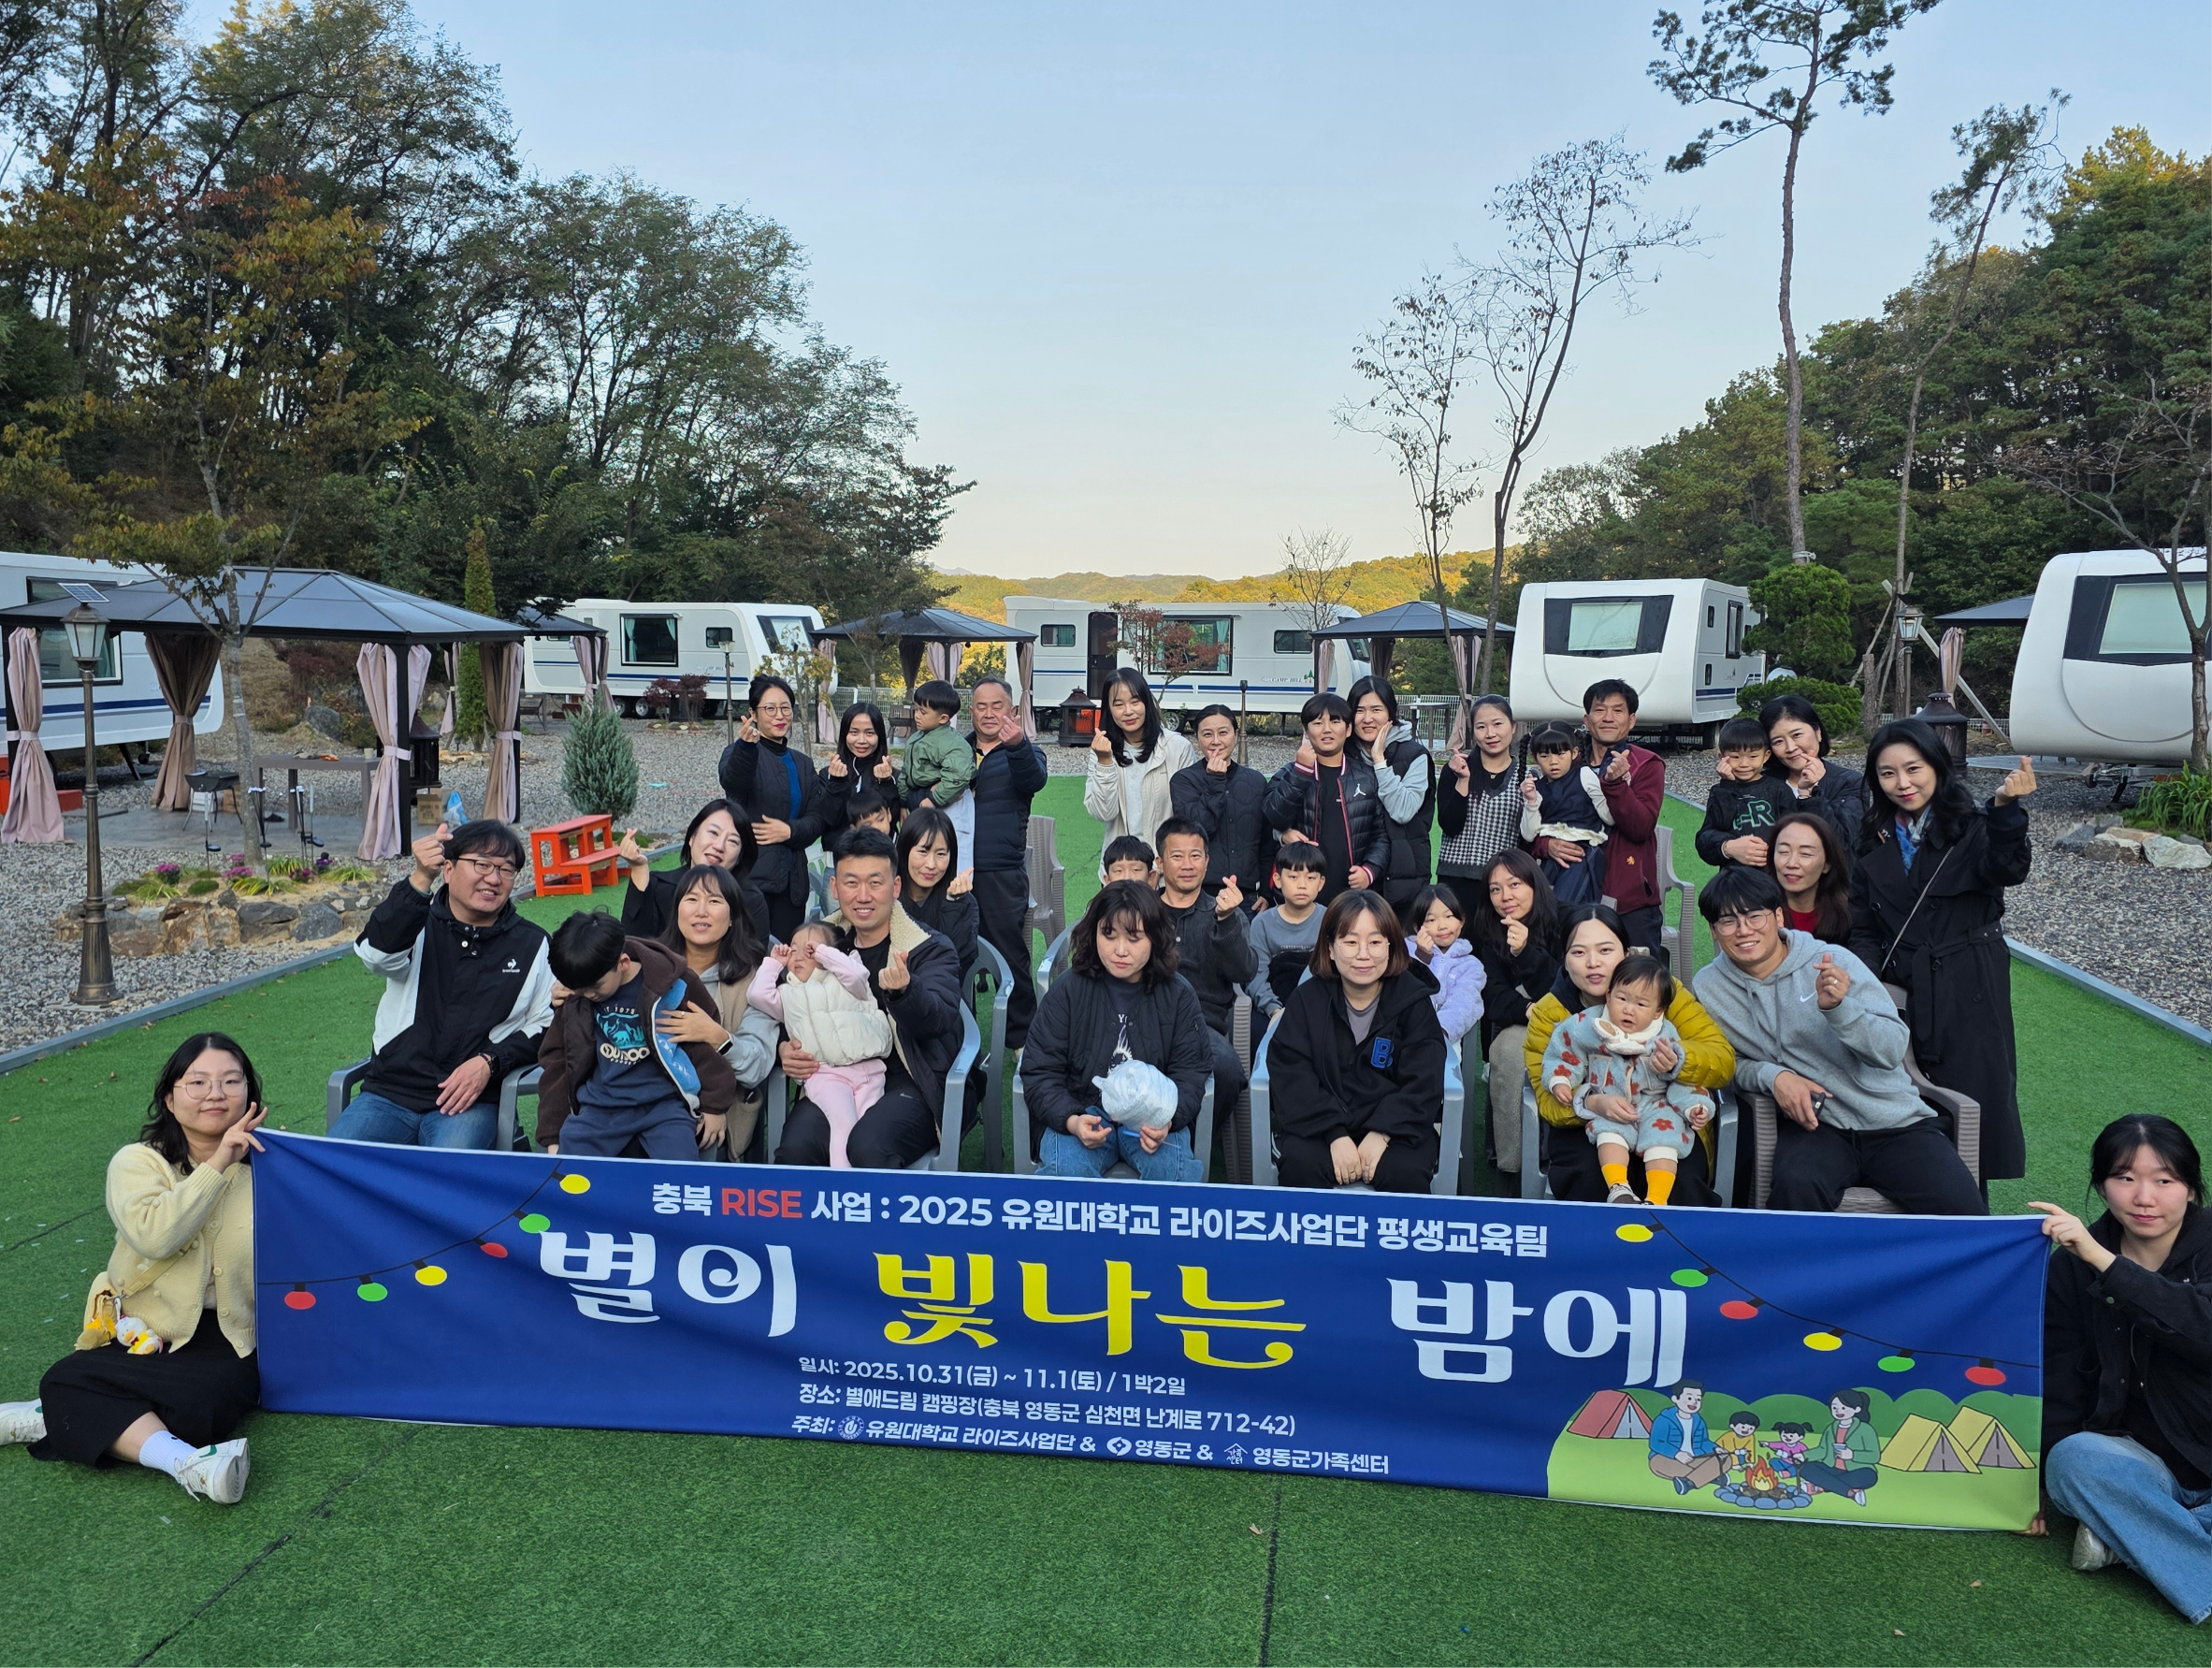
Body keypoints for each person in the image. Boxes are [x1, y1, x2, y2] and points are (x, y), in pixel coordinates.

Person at [1, 1036, 267, 1503]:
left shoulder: (273, 1165)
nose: (216, 1094)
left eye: (231, 1081)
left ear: (249, 1091)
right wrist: (222, 1159)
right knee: (67, 1378)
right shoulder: (137, 1162)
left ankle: (51, 1416)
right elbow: (158, 1235)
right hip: (148, 1331)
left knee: (198, 1412)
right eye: (197, 1082)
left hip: (233, 1333)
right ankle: (186, 1464)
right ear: (169, 1096)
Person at [1692, 865, 1984, 1215]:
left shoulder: (1834, 962)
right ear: (1713, 930)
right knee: (1795, 1187)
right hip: (1817, 1127)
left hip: (1894, 1122)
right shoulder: (1710, 987)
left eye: (1755, 916)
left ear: (1778, 916)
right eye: (1728, 921)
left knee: (1964, 1209)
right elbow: (1726, 1062)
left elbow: (1891, 1049)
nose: (1743, 930)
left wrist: (1841, 1009)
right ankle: (1796, 1272)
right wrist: (1775, 1076)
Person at [2031, 1116, 2212, 1624]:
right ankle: (2150, 1534)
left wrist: (2106, 1264)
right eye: (2125, 1178)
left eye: (2164, 1180)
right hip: (2138, 1460)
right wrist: (2039, 1485)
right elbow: (2060, 1378)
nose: (2144, 1197)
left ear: (2192, 1189)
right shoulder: (2069, 1267)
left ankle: (2126, 1538)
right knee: (2073, 1460)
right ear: (2101, 1184)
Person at [1851, 718, 2035, 1187]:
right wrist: (1868, 983)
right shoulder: (1874, 833)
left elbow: (2007, 869)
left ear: (1937, 765)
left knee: (1973, 1098)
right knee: (1906, 1098)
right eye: (1888, 774)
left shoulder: (1974, 824)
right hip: (1902, 985)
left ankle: (1972, 1205)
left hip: (1968, 978)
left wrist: (2007, 809)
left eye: (1913, 768)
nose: (1902, 783)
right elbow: (1864, 922)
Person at [336, 819, 554, 1150]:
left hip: (472, 1101)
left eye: (506, 869)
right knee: (333, 1163)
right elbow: (377, 955)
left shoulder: (533, 944)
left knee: (447, 1179)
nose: (493, 879)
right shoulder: (416, 924)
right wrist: (421, 877)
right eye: (481, 865)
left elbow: (548, 1024)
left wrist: (490, 1062)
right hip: (390, 1093)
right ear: (448, 870)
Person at [774, 828, 966, 1168]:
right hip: (836, 1077)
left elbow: (941, 1018)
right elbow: (786, 1003)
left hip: (911, 1081)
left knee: (866, 1147)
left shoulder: (928, 947)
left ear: (895, 888)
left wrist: (906, 992)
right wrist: (785, 1049)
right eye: (851, 883)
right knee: (796, 1150)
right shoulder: (819, 945)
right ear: (835, 888)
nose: (863, 895)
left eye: (875, 883)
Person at [1525, 906, 1735, 1205]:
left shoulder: (1662, 991)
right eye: (1579, 952)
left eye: (1605, 950)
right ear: (1565, 960)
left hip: (1667, 1117)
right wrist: (1593, 1102)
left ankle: (1674, 1250)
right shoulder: (1551, 1013)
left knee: (1682, 1182)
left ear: (1625, 953)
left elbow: (1721, 1058)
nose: (1593, 963)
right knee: (1589, 1176)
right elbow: (1548, 1099)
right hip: (1587, 1126)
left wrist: (1679, 1060)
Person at [1020, 880, 1212, 1182]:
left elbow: (1191, 1071)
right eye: (1108, 935)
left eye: (1134, 938)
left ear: (1156, 938)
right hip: (1082, 1107)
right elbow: (1039, 1070)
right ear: (1093, 933)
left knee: (1173, 1174)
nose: (1120, 950)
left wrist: (1168, 1120)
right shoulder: (1068, 990)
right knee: (1066, 1172)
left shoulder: (1178, 994)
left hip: (1153, 1116)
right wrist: (1072, 1120)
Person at [1265, 889, 1448, 1192]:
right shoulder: (1307, 1000)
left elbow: (1424, 1079)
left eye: (1375, 942)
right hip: (1319, 1126)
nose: (1363, 954)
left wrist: (1382, 1132)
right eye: (1350, 942)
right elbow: (1291, 1073)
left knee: (1404, 1171)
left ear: (1391, 946)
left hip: (1397, 1130)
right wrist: (1334, 1135)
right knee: (1301, 1165)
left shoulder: (1413, 1001)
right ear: (1331, 948)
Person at [537, 912, 739, 1159]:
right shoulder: (576, 990)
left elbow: (702, 1047)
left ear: (622, 963)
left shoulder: (673, 985)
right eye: (582, 989)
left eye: (596, 987)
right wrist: (552, 1133)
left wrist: (714, 1106)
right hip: (600, 1108)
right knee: (569, 1178)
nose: (589, 995)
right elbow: (557, 1060)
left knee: (682, 1175)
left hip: (664, 1106)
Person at [1540, 954, 1713, 1205]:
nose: (1628, 1009)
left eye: (1642, 1004)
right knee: (1608, 1133)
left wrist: (1695, 1107)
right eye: (1622, 998)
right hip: (1610, 1099)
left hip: (1657, 1105)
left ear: (1658, 1012)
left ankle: (1657, 1199)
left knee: (1665, 1141)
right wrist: (1560, 1080)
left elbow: (1683, 1080)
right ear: (1608, 995)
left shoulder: (1665, 1036)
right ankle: (1619, 1188)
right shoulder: (1588, 1024)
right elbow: (1563, 1052)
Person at [1528, 681, 1667, 961]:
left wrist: (1615, 785)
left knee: (1638, 979)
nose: (1608, 717)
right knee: (1563, 971)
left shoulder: (1645, 764)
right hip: (1566, 892)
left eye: (1618, 710)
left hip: (1627, 896)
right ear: (1586, 719)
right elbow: (1530, 826)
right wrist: (1547, 845)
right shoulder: (1564, 762)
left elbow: (1640, 828)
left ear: (1631, 720)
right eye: (1599, 710)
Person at [656, 863, 780, 1158]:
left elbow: (757, 1065)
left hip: (719, 1111)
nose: (701, 911)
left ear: (732, 919)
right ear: (676, 912)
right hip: (646, 1101)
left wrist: (718, 1037)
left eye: (714, 901)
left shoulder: (755, 981)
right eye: (691, 899)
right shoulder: (650, 968)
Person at [749, 921, 895, 1168]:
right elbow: (757, 996)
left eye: (809, 950)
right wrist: (774, 963)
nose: (798, 956)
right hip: (826, 1075)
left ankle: (871, 1192)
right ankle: (844, 1188)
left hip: (870, 1070)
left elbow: (859, 974)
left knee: (869, 1132)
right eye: (793, 949)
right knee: (843, 1123)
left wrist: (824, 954)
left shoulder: (849, 982)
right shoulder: (787, 994)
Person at [1155, 818, 1257, 1168]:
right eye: (1177, 856)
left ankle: (1186, 1138)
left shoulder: (1224, 911)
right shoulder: (1143, 912)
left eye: (1195, 856)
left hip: (1202, 1026)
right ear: (1160, 862)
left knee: (1227, 1071)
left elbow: (1245, 972)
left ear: (1207, 861)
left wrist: (1227, 921)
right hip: (1142, 1019)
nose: (1187, 865)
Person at [1468, 849, 1560, 1188]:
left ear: (1534, 884)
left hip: (1573, 1021)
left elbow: (1566, 984)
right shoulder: (1490, 931)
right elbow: (1490, 994)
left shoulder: (1564, 919)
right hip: (1523, 1022)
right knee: (1507, 1050)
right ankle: (1511, 1161)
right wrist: (1526, 1010)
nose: (1505, 896)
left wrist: (1525, 952)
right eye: (1495, 889)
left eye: (1514, 884)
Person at [967, 675, 1049, 1052]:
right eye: (981, 706)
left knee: (1009, 955)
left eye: (996, 706)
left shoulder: (1026, 751)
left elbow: (1034, 780)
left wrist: (1017, 744)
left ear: (1012, 710)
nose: (988, 714)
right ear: (970, 712)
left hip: (1000, 870)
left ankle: (1022, 1040)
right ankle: (957, 1033)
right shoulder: (955, 749)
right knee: (950, 953)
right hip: (951, 871)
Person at [717, 675, 825, 944]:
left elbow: (816, 820)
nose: (780, 716)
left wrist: (789, 830)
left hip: (793, 886)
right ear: (753, 713)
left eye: (785, 707)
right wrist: (745, 748)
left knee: (785, 960)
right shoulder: (737, 752)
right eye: (770, 709)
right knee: (748, 960)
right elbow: (733, 782)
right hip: (751, 882)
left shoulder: (802, 763)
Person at [1263, 691, 1389, 905]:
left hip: (1351, 896)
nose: (1327, 729)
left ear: (1348, 729)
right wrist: (1301, 771)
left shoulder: (1367, 777)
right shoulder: (1288, 774)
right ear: (1306, 730)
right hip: (1301, 894)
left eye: (1335, 721)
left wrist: (1370, 870)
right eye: (1318, 723)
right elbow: (1273, 817)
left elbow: (1382, 834)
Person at [616, 799, 770, 942]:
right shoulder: (660, 887)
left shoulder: (750, 900)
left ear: (740, 857)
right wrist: (638, 868)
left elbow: (755, 963)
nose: (719, 846)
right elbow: (632, 947)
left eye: (733, 841)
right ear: (692, 837)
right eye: (713, 833)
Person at [1348, 675, 1436, 918]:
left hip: (1405, 882)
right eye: (1359, 710)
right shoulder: (1344, 753)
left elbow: (1403, 810)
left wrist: (1379, 761)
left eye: (1376, 709)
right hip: (1356, 875)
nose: (1367, 719)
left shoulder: (1415, 755)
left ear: (1391, 713)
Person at [1085, 666, 1195, 855]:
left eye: (1135, 702)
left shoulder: (1177, 747)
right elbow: (1103, 813)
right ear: (1109, 710)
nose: (1128, 711)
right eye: (1119, 705)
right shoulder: (1102, 751)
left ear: (1146, 702)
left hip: (1165, 868)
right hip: (1121, 867)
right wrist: (1105, 762)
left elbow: (1189, 814)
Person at [1169, 703, 1273, 904]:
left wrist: (1267, 893)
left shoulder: (1256, 781)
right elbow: (1198, 831)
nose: (1216, 741)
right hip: (1199, 894)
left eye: (1223, 733)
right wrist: (1215, 781)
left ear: (1235, 734)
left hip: (1247, 895)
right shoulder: (1184, 780)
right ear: (1197, 738)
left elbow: (1266, 844)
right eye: (1207, 734)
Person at [1436, 693, 1525, 897]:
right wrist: (1463, 780)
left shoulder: (1526, 778)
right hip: (1454, 880)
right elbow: (1450, 826)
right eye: (1481, 727)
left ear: (1513, 727)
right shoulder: (1455, 769)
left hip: (1504, 883)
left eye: (1497, 724)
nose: (1490, 734)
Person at [1518, 722, 1612, 907]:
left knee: (1561, 905)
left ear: (1574, 753)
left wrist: (1610, 788)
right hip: (1551, 857)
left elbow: (1609, 817)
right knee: (1539, 905)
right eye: (1545, 756)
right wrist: (1530, 801)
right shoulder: (1536, 788)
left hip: (1583, 854)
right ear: (1534, 757)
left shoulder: (1584, 775)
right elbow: (1529, 835)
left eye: (1560, 754)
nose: (1553, 761)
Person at [1762, 692, 1865, 852]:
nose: (1790, 748)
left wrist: (1810, 795)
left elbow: (1843, 844)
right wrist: (1726, 847)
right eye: (1778, 741)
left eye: (1797, 735)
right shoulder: (1762, 783)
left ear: (1818, 732)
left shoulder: (1850, 782)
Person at [1695, 716, 1798, 868]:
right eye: (1735, 757)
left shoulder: (1778, 790)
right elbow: (1717, 825)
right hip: (1734, 876)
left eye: (1753, 756)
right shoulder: (1720, 791)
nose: (1744, 764)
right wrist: (1728, 785)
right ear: (1722, 758)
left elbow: (1793, 830)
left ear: (1766, 756)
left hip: (1772, 874)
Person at [897, 807, 976, 988]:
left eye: (941, 854)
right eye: (923, 852)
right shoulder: (887, 899)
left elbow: (959, 960)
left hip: (944, 1001)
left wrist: (954, 904)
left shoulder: (964, 902)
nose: (931, 864)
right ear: (904, 850)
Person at [1246, 843, 1327, 1020]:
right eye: (1293, 877)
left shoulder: (1331, 920)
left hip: (1321, 1008)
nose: (1302, 885)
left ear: (1321, 883)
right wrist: (1274, 1010)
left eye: (1311, 878)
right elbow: (1256, 976)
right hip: (1273, 1008)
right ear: (1277, 879)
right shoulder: (1262, 924)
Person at [1401, 882, 1483, 1045]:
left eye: (1449, 916)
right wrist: (1422, 957)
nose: (1442, 926)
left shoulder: (1471, 966)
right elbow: (1400, 990)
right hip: (1403, 1033)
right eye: (1431, 919)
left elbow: (1464, 1003)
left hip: (1444, 1037)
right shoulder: (1405, 952)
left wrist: (1437, 1033)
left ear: (1462, 921)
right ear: (1418, 928)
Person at [822, 701, 904, 838]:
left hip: (881, 854)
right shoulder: (828, 774)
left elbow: (892, 819)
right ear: (844, 735)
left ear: (879, 736)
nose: (861, 740)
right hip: (840, 855)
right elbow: (829, 820)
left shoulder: (894, 776)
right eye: (854, 732)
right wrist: (837, 783)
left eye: (869, 733)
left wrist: (886, 784)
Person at [1769, 810, 1852, 944]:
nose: (1791, 864)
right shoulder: (1759, 913)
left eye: (1805, 854)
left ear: (1827, 864)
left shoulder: (1850, 914)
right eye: (1784, 852)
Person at [899, 681, 976, 821]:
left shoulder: (952, 743)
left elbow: (958, 776)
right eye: (916, 709)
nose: (917, 715)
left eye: (923, 712)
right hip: (918, 801)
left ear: (943, 718)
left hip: (942, 806)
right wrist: (903, 802)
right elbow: (906, 771)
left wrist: (934, 799)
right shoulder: (916, 737)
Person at [1799, 1390, 1882, 1507]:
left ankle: (1820, 1486)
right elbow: (1822, 1450)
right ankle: (1851, 1493)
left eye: (1844, 1408)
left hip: (1858, 1470)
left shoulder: (1865, 1429)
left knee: (1869, 1477)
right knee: (1805, 1468)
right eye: (1835, 1408)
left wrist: (1852, 1455)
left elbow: (1874, 1456)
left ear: (1856, 1409)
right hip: (1832, 1468)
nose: (1838, 1411)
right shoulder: (1831, 1428)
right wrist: (1803, 1456)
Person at [1647, 1381, 1726, 1496]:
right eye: (1689, 1398)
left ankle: (1689, 1482)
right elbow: (1656, 1443)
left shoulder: (1698, 1421)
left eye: (1698, 1399)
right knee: (1658, 1465)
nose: (1694, 1402)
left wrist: (1716, 1449)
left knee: (1726, 1458)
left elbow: (1703, 1442)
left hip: (1695, 1458)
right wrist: (1677, 1454)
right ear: (1675, 1399)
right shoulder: (1664, 1419)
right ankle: (1711, 1476)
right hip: (1667, 1458)